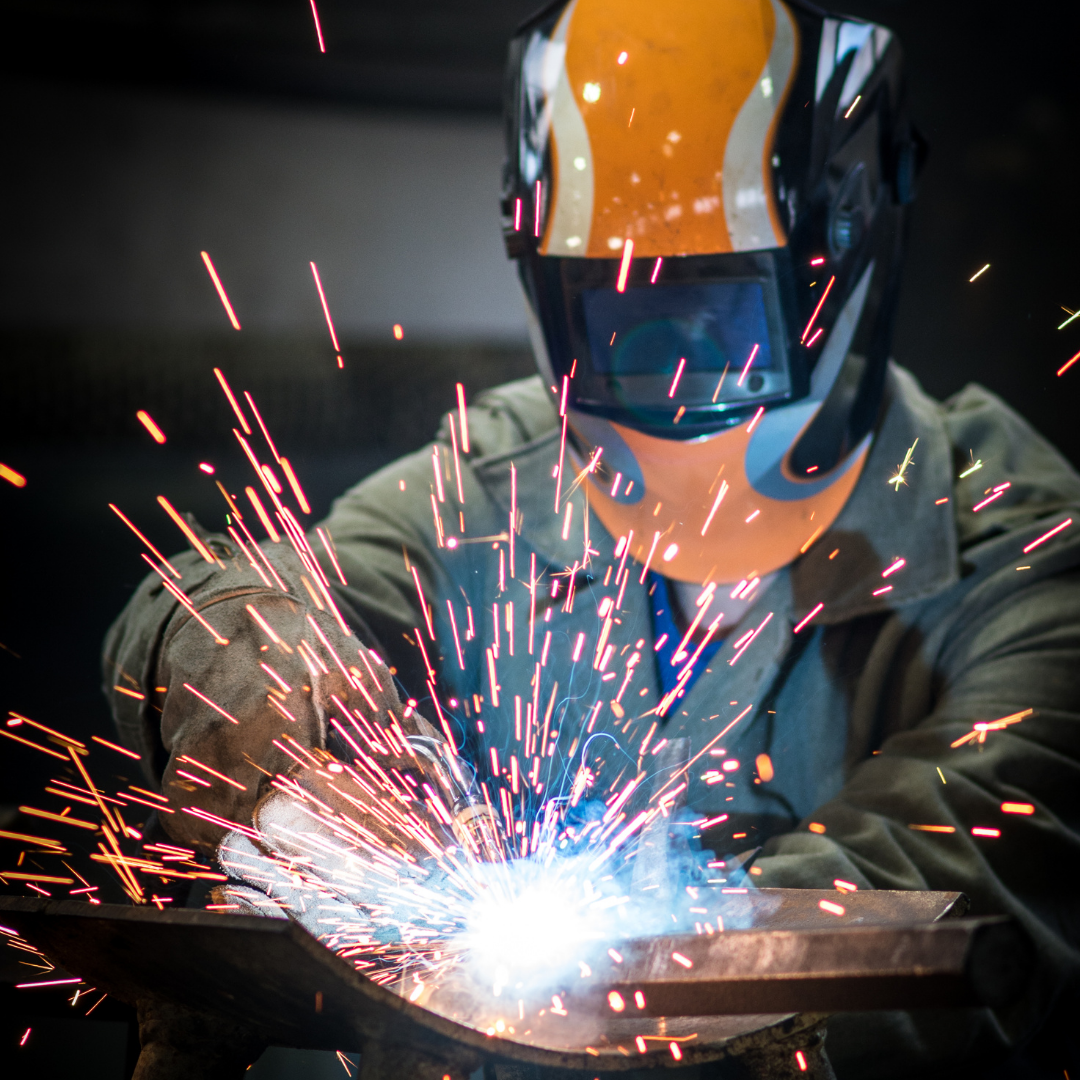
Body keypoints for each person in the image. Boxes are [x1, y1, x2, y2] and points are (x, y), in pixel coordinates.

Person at [104, 0, 1080, 1075]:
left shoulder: (1024, 553)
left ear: (837, 250)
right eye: (616, 309)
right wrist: (290, 764)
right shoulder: (498, 479)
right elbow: (211, 608)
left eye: (722, 307)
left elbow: (936, 909)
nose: (671, 362)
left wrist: (616, 970)